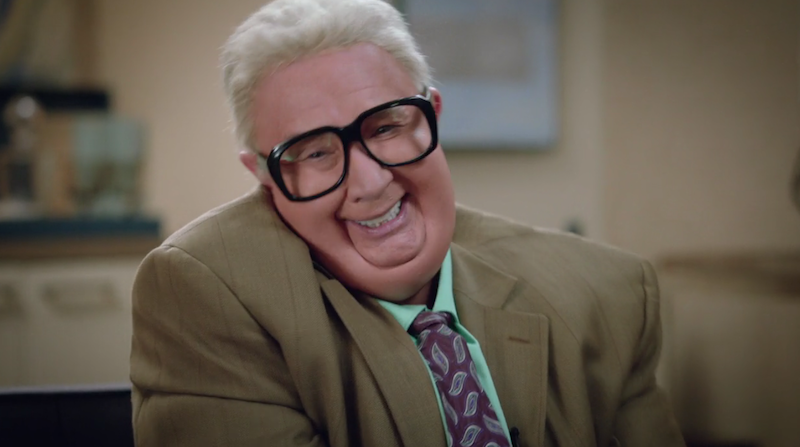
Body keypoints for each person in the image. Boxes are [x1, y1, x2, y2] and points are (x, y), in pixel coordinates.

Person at [129, 0, 686, 446]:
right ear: (265, 177)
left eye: (387, 128)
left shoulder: (606, 296)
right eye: (316, 152)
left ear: (433, 117)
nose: (370, 182)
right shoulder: (204, 293)